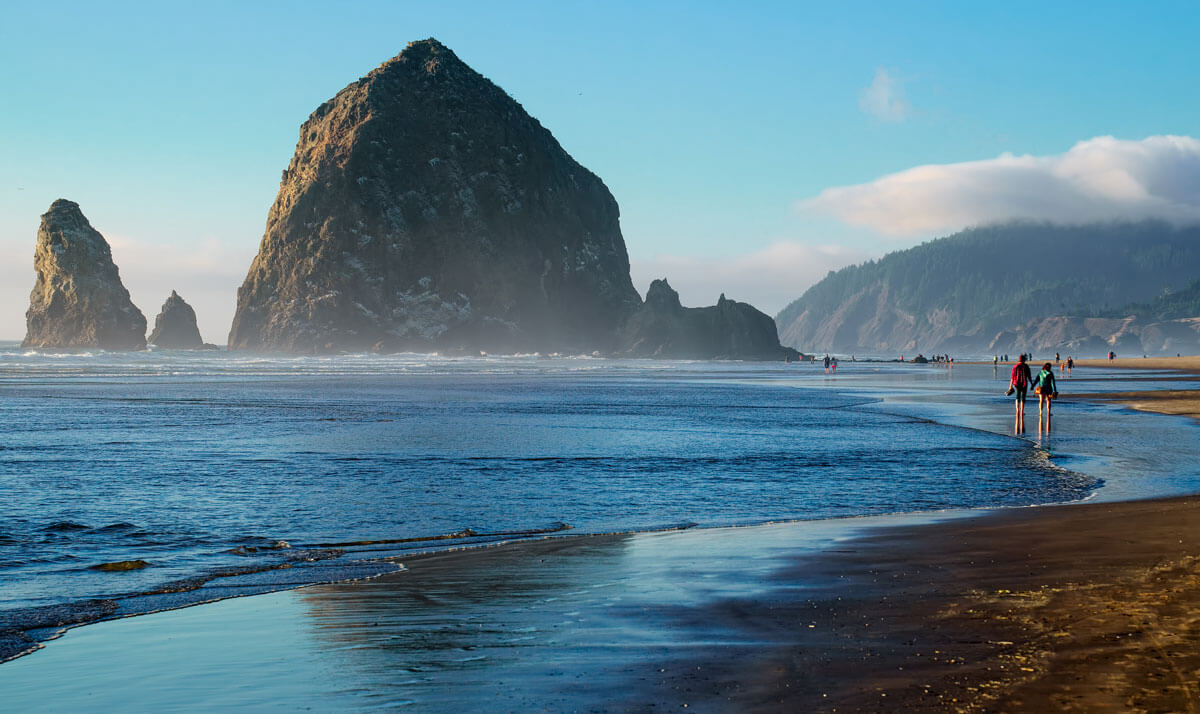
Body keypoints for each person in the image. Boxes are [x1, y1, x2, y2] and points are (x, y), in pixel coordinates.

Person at [1009, 354, 1033, 432]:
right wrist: (1032, 383)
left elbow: (1012, 377)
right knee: (1023, 398)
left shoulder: (1015, 367)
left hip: (1016, 384)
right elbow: (1029, 376)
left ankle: (1017, 411)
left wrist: (1010, 386)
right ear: (1024, 360)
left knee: (1017, 397)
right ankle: (1022, 411)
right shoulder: (1026, 366)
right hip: (1024, 383)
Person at [1033, 361, 1058, 428]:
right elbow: (1053, 383)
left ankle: (1040, 413)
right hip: (1048, 388)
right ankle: (1048, 412)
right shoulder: (1050, 373)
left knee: (1041, 401)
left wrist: (1033, 385)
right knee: (1048, 400)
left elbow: (1036, 380)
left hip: (1041, 388)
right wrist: (1054, 390)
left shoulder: (1041, 372)